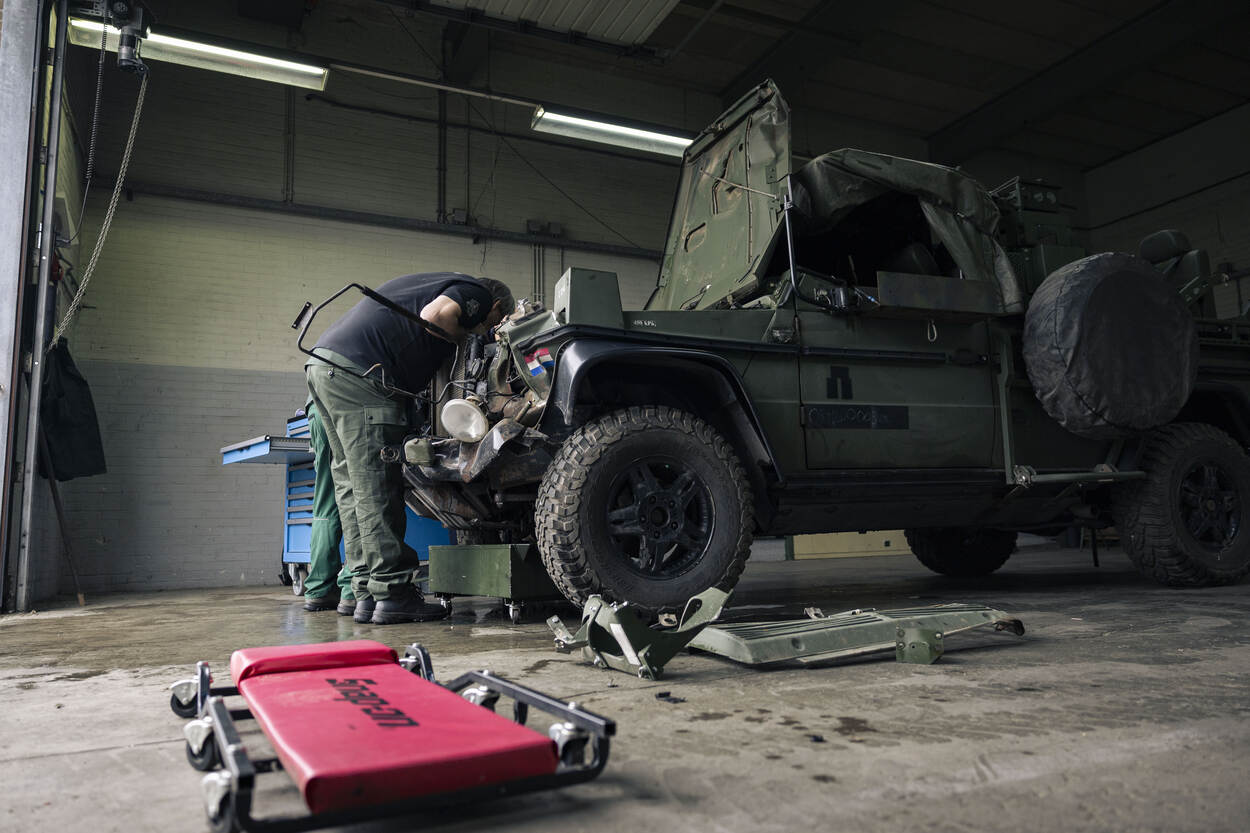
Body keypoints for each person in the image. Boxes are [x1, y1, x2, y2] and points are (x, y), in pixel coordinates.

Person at [305, 272, 513, 625]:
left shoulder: (429, 283)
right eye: (494, 322)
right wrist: (467, 337)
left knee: (353, 490)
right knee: (376, 488)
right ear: (494, 307)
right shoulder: (472, 291)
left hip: (325, 365)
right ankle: (393, 592)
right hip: (363, 375)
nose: (488, 330)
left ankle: (365, 592)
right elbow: (435, 317)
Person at [299, 400, 353, 614]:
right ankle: (351, 588)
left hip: (316, 409)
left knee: (326, 503)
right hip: (343, 406)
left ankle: (319, 589)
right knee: (357, 498)